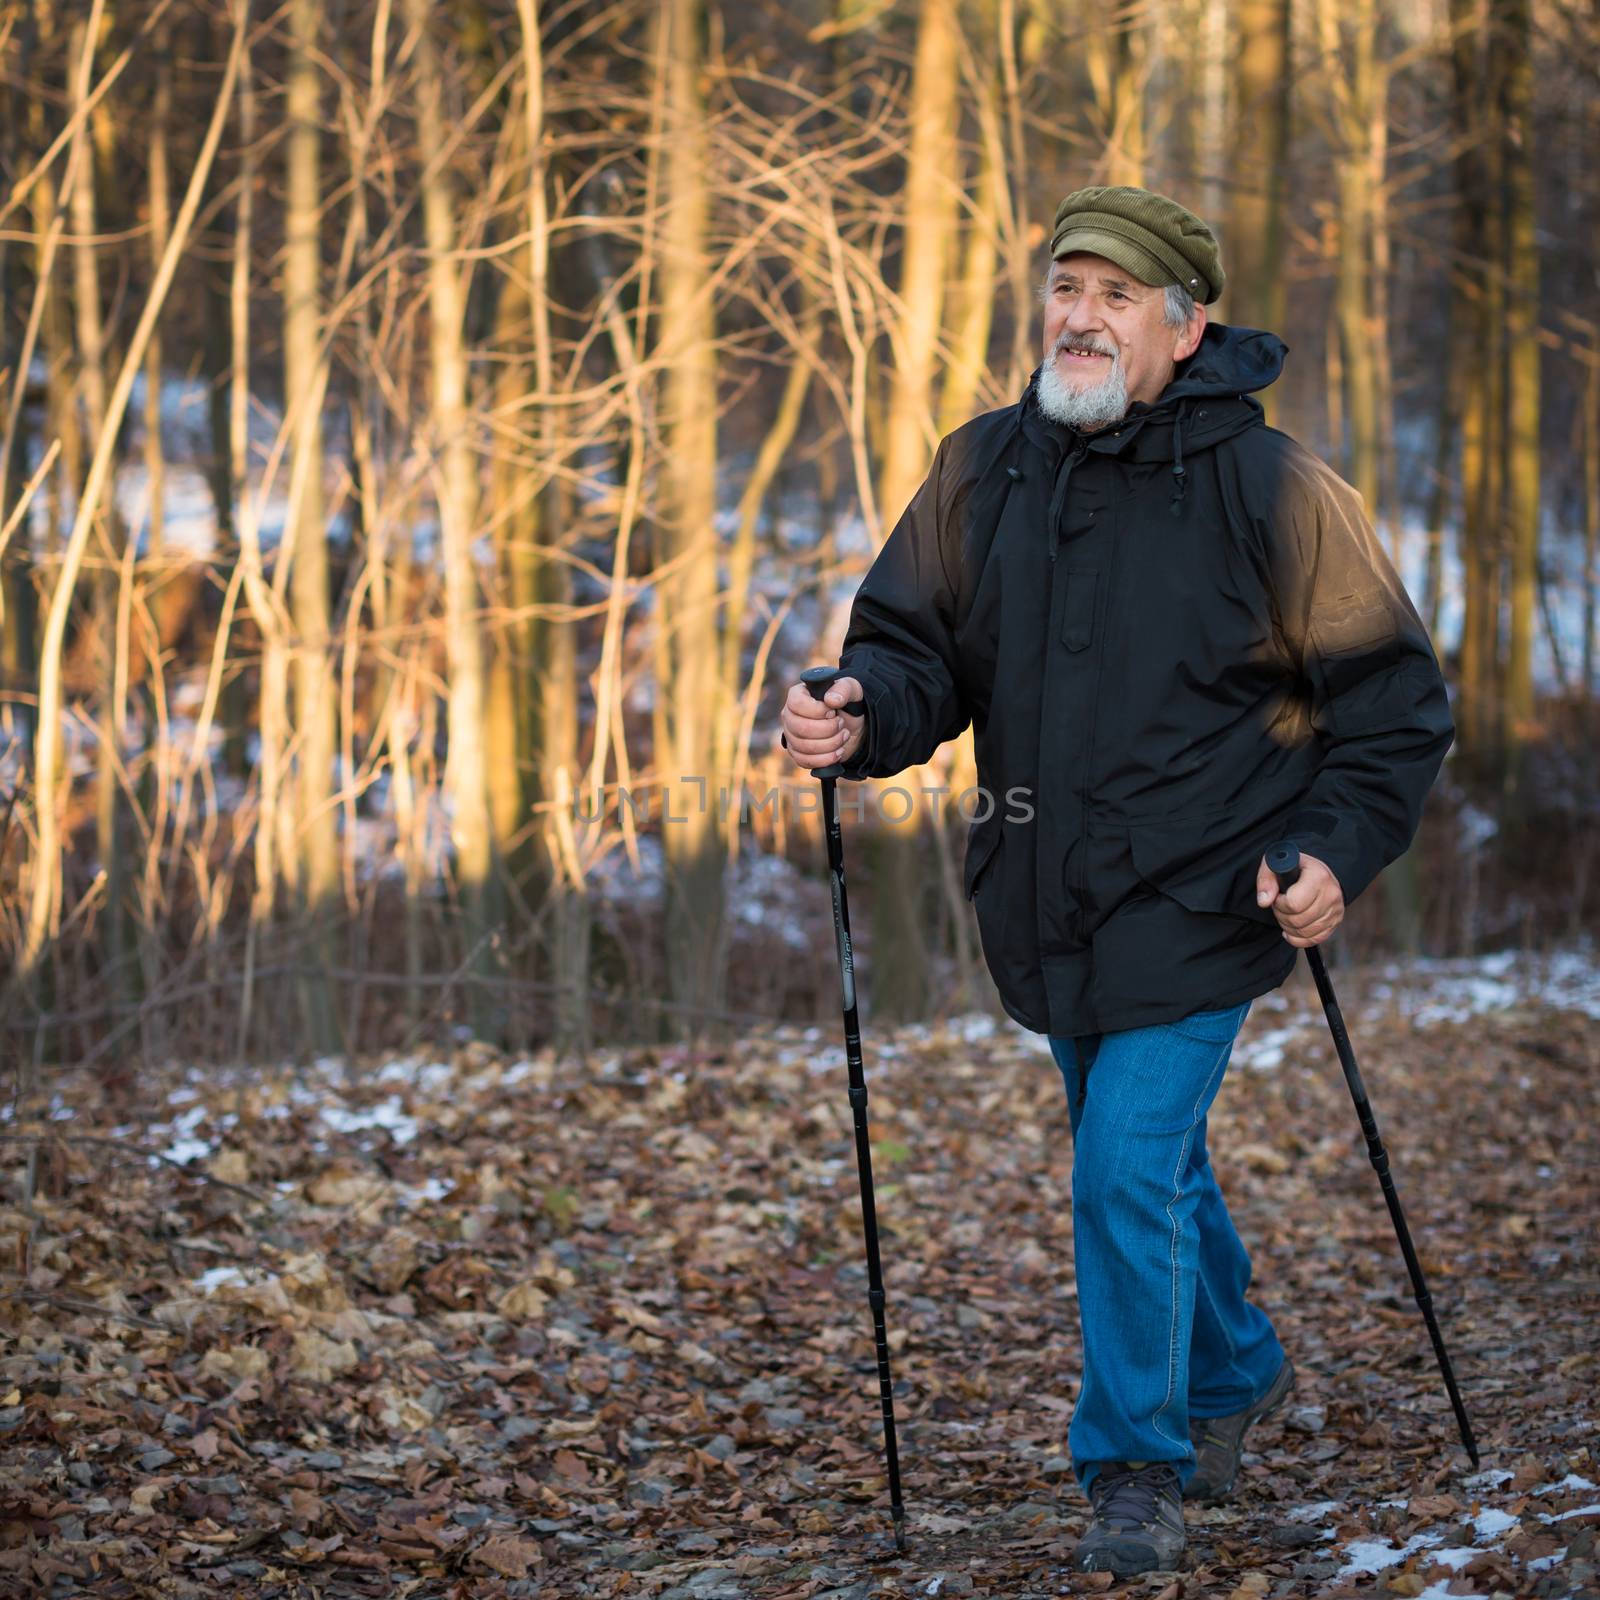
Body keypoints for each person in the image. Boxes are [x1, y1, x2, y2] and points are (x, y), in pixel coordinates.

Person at [779, 185, 1453, 1578]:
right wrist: (861, 710)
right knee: (1145, 1168)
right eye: (1064, 288)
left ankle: (1134, 1464)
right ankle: (1239, 1367)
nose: (1079, 317)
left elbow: (1392, 705)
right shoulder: (987, 470)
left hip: (1213, 896)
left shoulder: (1271, 491)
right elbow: (918, 654)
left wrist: (1330, 850)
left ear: (1185, 325)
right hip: (1044, 884)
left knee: (1120, 1168)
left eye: (1115, 296)